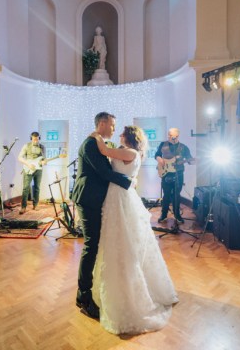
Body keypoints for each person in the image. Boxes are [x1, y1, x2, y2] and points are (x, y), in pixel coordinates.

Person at [90, 125, 178, 334]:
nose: (118, 135)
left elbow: (105, 151)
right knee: (118, 238)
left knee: (122, 240)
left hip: (120, 197)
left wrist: (95, 135)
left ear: (128, 137)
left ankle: (128, 288)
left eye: (121, 133)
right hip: (118, 195)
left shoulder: (129, 152)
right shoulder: (130, 152)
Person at [71, 112, 132, 320]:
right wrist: (129, 182)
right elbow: (103, 173)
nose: (114, 129)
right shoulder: (90, 144)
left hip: (96, 198)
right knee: (91, 244)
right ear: (103, 123)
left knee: (94, 244)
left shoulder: (99, 143)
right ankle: (83, 295)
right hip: (88, 197)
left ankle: (87, 291)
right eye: (113, 125)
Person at [155, 128, 194, 223]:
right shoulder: (162, 144)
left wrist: (193, 161)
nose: (169, 137)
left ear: (177, 136)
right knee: (166, 195)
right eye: (168, 135)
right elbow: (157, 154)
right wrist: (159, 159)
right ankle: (164, 215)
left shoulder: (183, 147)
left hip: (178, 174)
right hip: (165, 173)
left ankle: (177, 215)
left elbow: (189, 159)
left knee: (177, 195)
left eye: (171, 135)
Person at [17, 132, 46, 214]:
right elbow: (19, 157)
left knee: (37, 187)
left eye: (37, 139)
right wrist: (28, 164)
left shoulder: (42, 147)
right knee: (26, 188)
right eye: (34, 139)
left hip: (38, 169)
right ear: (31, 138)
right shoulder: (26, 146)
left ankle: (35, 205)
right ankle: (23, 207)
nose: (36, 141)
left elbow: (44, 159)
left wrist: (44, 162)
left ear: (39, 138)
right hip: (28, 169)